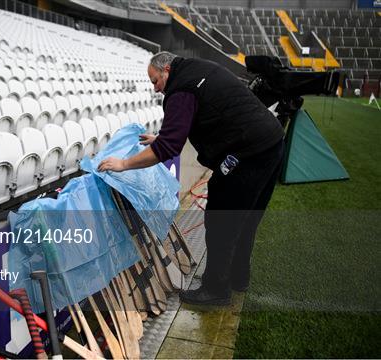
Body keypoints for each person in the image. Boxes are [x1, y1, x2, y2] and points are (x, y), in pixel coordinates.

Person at [97, 51, 285, 306]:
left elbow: (168, 149)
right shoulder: (197, 67)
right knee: (248, 217)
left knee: (221, 219)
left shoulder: (181, 89)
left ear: (167, 71)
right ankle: (239, 277)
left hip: (248, 152)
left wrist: (124, 164)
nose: (155, 89)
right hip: (272, 142)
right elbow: (189, 122)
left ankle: (216, 289)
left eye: (155, 81)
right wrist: (163, 139)